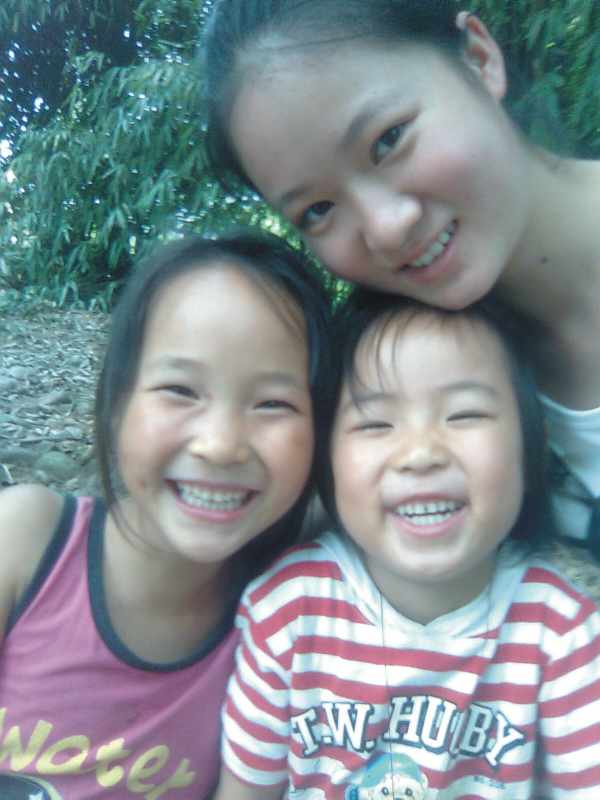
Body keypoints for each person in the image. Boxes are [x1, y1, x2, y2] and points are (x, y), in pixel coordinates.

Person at [202, 0, 600, 552]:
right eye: (318, 210)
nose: (386, 229)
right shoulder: (396, 392)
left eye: (389, 140)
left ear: (479, 59)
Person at [213, 290, 600, 799]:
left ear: (533, 445)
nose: (420, 454)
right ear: (326, 459)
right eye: (375, 423)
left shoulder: (560, 632)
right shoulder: (287, 614)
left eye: (464, 415)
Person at [0, 230, 333, 799]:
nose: (221, 445)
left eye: (273, 403)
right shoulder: (25, 541)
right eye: (180, 389)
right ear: (116, 405)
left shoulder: (293, 616)